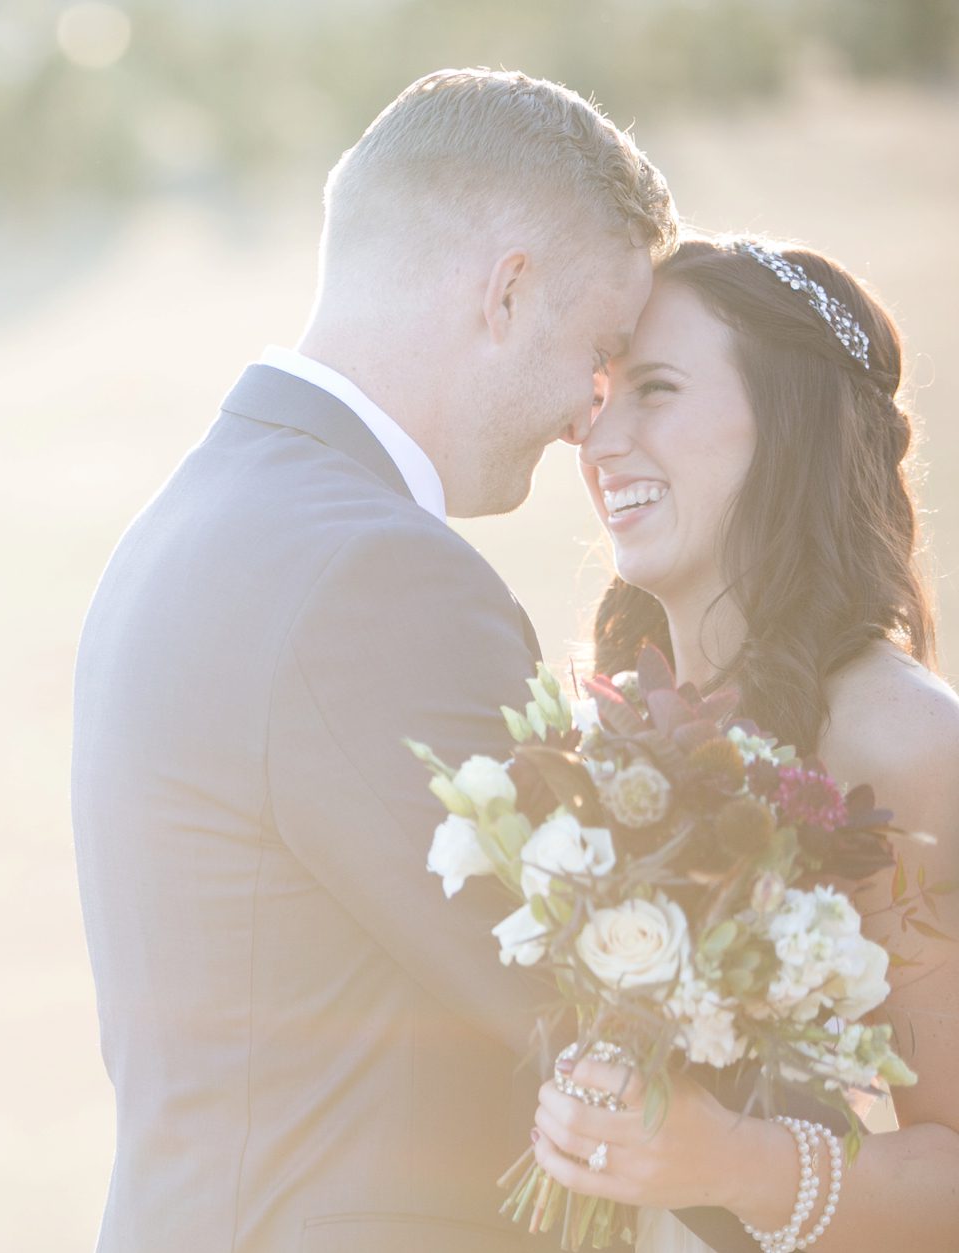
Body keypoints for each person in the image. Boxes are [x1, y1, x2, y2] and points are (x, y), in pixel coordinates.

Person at [71, 69, 678, 1251]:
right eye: (600, 351)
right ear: (506, 292)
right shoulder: (374, 575)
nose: (590, 413)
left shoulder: (191, 518)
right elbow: (577, 1005)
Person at [533, 236, 959, 1251]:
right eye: (599, 395)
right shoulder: (598, 731)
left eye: (655, 389)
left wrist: (728, 1161)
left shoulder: (904, 741)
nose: (596, 440)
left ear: (786, 423)